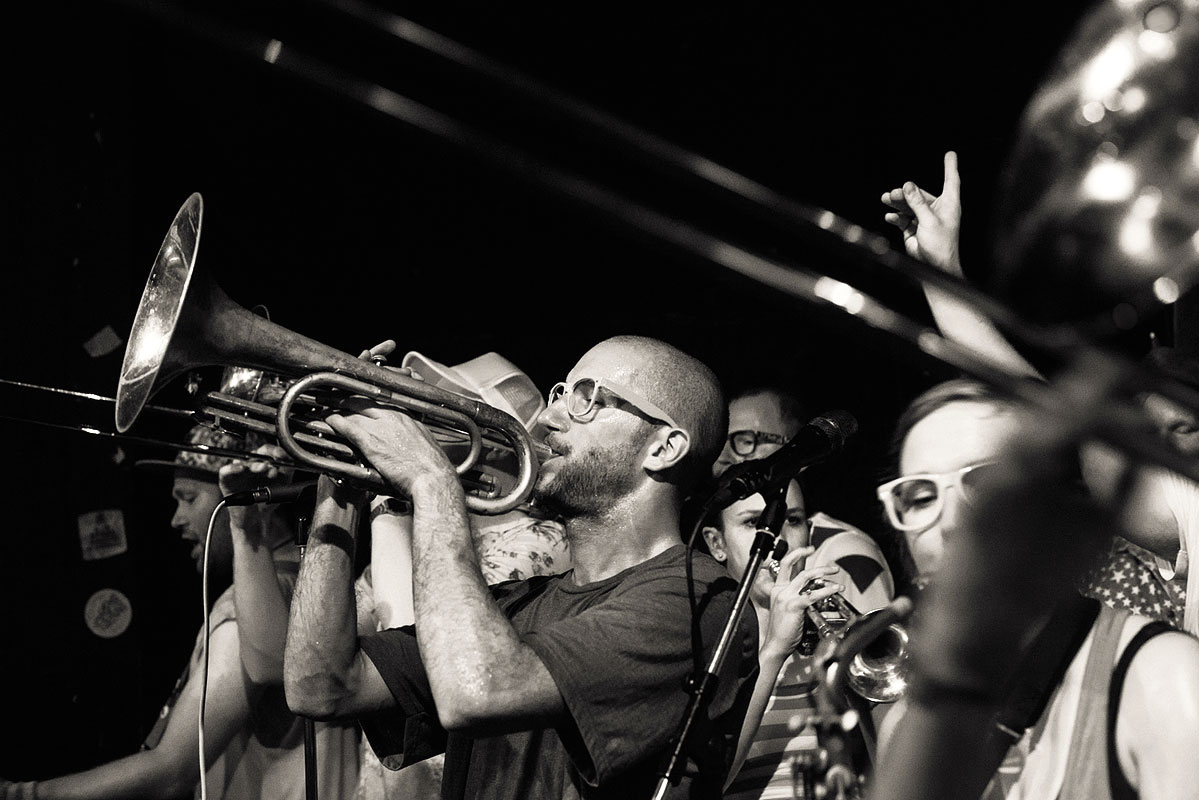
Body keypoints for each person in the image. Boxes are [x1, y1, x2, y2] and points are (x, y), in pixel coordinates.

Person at [283, 334, 759, 799]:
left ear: (664, 447)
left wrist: (430, 477)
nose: (548, 418)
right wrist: (339, 485)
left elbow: (478, 693)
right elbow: (321, 686)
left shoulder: (701, 604)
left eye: (586, 398)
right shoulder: (519, 602)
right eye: (560, 393)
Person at [880, 151, 1192, 629]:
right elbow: (1040, 404)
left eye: (1186, 421)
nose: (1164, 435)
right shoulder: (1184, 504)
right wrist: (940, 271)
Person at [871, 377, 1199, 800]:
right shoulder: (903, 728)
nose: (949, 523)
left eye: (987, 485)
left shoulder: (1163, 678)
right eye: (918, 497)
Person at [0, 422, 360, 800]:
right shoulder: (317, 586)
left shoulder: (252, 604)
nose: (176, 518)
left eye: (188, 498)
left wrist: (22, 794)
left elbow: (173, 767)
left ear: (238, 495)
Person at [349, 347, 572, 800]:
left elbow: (412, 645)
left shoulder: (543, 540)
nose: (412, 413)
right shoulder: (419, 538)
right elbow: (328, 661)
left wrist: (386, 501)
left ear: (492, 437)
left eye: (438, 404)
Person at [701, 477, 893, 800]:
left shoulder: (836, 642)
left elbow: (896, 771)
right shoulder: (708, 647)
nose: (778, 540)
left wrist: (864, 677)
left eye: (792, 520)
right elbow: (708, 781)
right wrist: (775, 649)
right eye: (754, 523)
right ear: (717, 544)